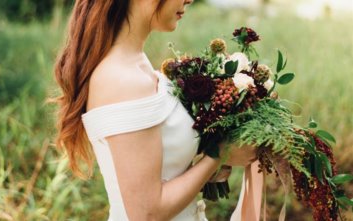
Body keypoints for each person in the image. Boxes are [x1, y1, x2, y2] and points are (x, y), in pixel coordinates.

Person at [54, 0, 262, 220]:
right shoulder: (121, 80)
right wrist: (219, 154)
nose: (189, 0)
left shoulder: (136, 63)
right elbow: (148, 212)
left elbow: (164, 167)